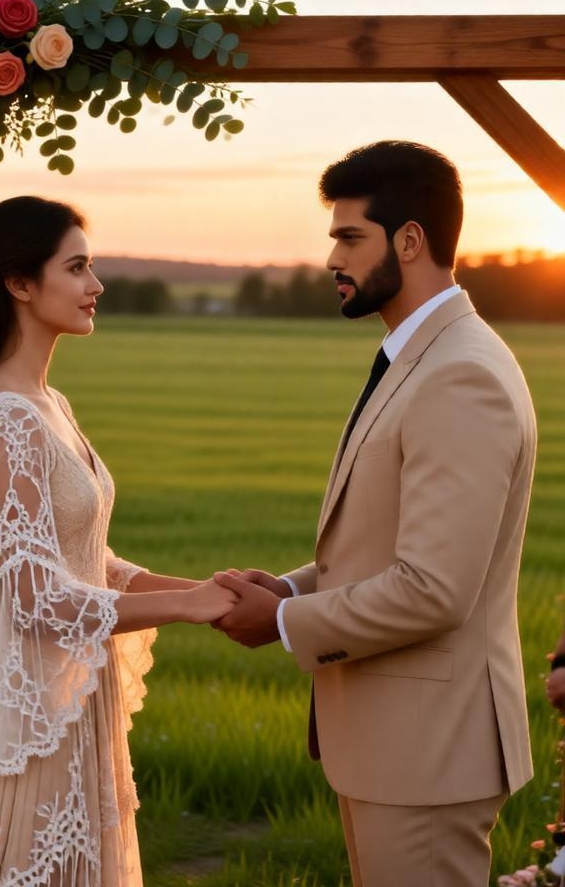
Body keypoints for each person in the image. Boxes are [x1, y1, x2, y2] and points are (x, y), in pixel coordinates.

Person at [213, 141, 537, 887]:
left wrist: (284, 622)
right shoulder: (422, 356)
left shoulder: (460, 373)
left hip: (428, 754)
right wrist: (291, 588)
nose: (333, 257)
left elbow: (434, 588)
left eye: (350, 237)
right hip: (399, 747)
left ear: (410, 240)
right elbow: (392, 542)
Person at [0, 196, 237, 887]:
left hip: (70, 694)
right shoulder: (6, 418)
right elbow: (33, 600)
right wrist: (186, 606)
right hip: (25, 711)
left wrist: (209, 592)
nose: (96, 284)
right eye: (77, 267)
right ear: (20, 283)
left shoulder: (50, 404)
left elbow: (89, 562)